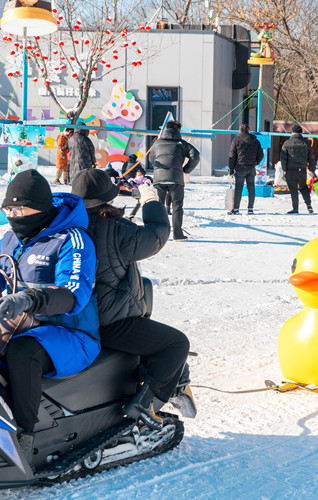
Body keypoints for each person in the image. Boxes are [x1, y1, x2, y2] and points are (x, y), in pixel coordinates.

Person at [72, 169, 191, 429]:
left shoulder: (68, 227)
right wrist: (150, 199)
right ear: (107, 199)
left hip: (75, 316)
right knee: (176, 344)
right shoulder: (114, 228)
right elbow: (157, 235)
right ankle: (146, 405)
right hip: (110, 321)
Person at [0, 170, 100, 452]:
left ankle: (23, 436)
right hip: (24, 323)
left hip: (71, 334)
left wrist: (28, 299)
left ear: (39, 208)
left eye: (18, 208)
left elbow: (73, 293)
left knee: (22, 353)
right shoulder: (10, 240)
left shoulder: (72, 239)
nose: (12, 215)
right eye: (8, 208)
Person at [150, 121, 200, 241]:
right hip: (175, 178)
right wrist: (186, 170)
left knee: (159, 206)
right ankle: (177, 235)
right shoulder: (181, 143)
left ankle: (158, 233)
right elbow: (196, 155)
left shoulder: (157, 143)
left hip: (159, 178)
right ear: (178, 130)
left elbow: (152, 159)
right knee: (177, 206)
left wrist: (158, 170)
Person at [227, 124, 264, 215]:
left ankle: (236, 209)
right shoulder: (256, 141)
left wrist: (231, 169)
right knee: (251, 188)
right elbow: (261, 154)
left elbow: (232, 156)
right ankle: (250, 209)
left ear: (240, 131)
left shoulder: (236, 141)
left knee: (239, 188)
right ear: (249, 130)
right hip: (251, 168)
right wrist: (255, 163)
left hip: (240, 168)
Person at [280, 124, 315, 214]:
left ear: (292, 132)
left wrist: (284, 169)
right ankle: (309, 206)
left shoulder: (287, 143)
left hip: (290, 170)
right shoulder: (306, 143)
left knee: (293, 189)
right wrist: (312, 169)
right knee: (303, 188)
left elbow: (283, 158)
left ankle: (295, 208)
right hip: (302, 169)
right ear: (301, 133)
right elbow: (311, 157)